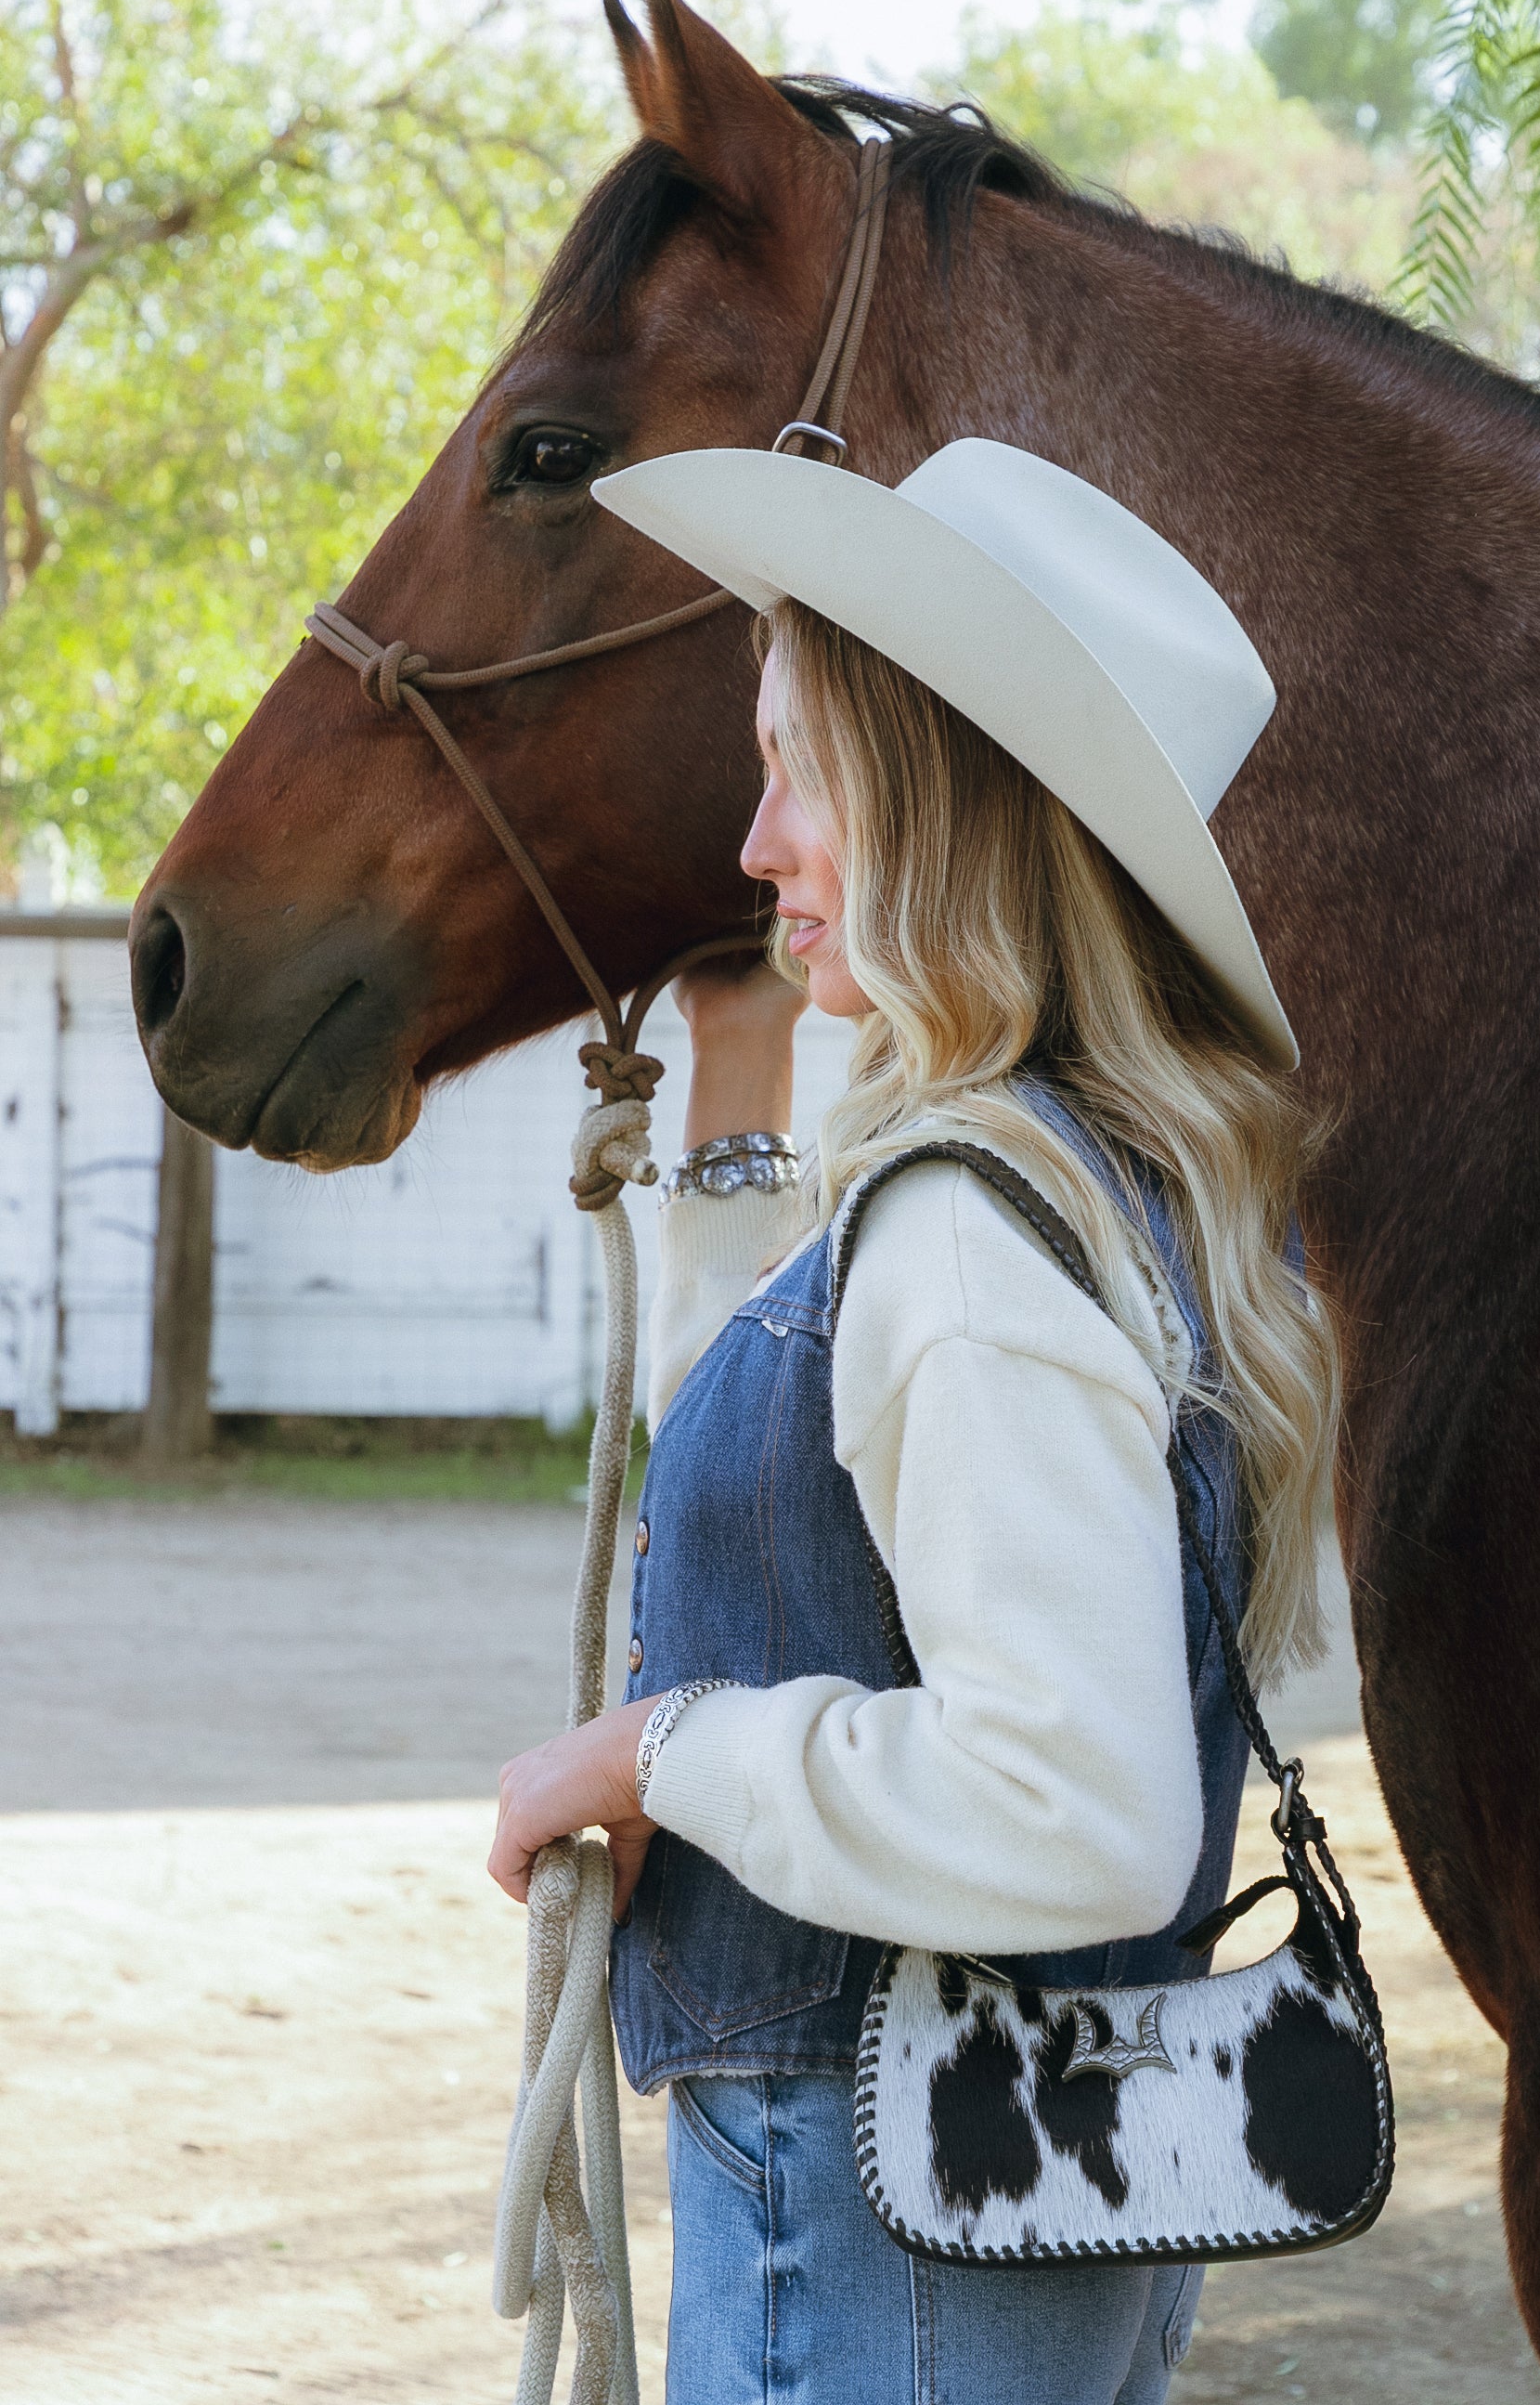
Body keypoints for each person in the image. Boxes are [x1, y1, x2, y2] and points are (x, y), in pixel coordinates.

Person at [488, 439, 1340, 2404]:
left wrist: (659, 1750)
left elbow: (1073, 1806)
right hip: (1015, 2206)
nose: (754, 842)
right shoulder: (1097, 1182)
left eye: (801, 768)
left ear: (940, 800)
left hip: (881, 2232)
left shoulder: (966, 1227)